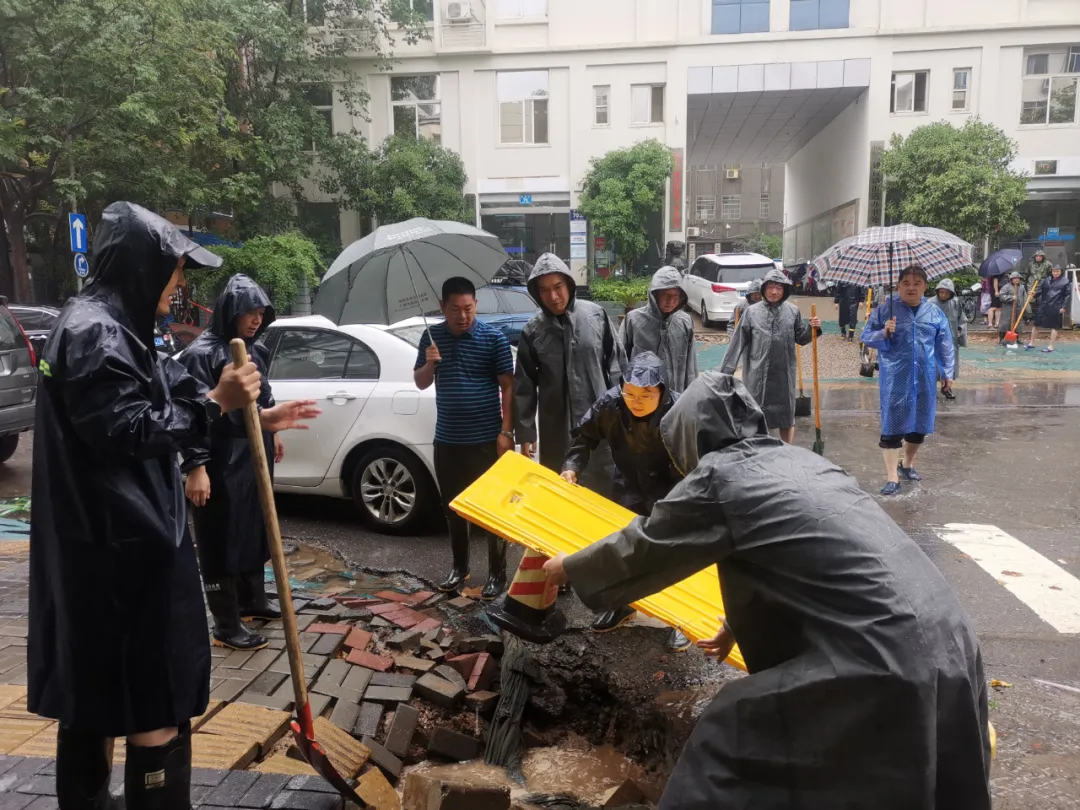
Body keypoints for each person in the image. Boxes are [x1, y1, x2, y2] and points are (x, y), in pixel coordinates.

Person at [542, 373, 991, 810]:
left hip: (879, 655)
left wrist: (569, 567)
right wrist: (737, 624)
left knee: (732, 735)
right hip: (949, 641)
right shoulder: (803, 462)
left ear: (685, 438)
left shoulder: (719, 478)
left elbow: (646, 547)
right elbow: (803, 558)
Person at [28, 202, 313, 810]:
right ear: (141, 267)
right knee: (150, 696)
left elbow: (168, 390)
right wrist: (216, 403)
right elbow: (132, 428)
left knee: (95, 694)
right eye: (175, 272)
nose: (180, 286)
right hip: (121, 549)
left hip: (108, 545)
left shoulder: (113, 327)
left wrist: (250, 415)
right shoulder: (95, 333)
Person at [180, 275, 318, 650]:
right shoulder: (201, 354)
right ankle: (226, 621)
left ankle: (253, 600)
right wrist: (196, 466)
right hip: (219, 457)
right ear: (231, 312)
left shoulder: (254, 350)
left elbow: (263, 398)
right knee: (219, 537)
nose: (256, 320)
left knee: (254, 527)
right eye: (249, 313)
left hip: (251, 455)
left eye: (261, 313)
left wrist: (274, 433)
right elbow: (191, 416)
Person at [560, 351, 688, 648]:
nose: (636, 401)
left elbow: (702, 454)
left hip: (671, 486)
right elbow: (583, 437)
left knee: (672, 554)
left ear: (662, 390)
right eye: (630, 393)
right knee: (624, 547)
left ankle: (679, 618)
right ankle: (622, 603)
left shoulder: (681, 410)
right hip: (628, 483)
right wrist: (571, 467)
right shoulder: (610, 404)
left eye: (646, 394)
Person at [415, 277, 515, 597]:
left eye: (468, 308)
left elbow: (508, 387)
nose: (462, 316)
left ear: (476, 305)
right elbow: (420, 382)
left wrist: (506, 432)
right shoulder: (431, 338)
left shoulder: (493, 338)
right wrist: (430, 363)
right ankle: (460, 568)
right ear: (443, 307)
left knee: (491, 509)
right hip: (447, 439)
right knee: (454, 507)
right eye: (455, 309)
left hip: (486, 439)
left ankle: (497, 573)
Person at [514, 253, 625, 485]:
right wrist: (526, 433)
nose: (553, 297)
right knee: (560, 493)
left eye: (558, 286)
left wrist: (623, 417)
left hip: (599, 422)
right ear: (536, 292)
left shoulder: (596, 316)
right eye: (544, 290)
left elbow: (617, 366)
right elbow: (524, 385)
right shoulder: (533, 331)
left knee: (604, 490)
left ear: (569, 283)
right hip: (556, 427)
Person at [862, 265, 954, 496]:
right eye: (906, 283)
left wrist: (947, 374)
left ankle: (907, 464)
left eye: (917, 283)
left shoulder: (934, 313)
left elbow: (945, 345)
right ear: (898, 285)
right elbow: (866, 337)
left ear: (925, 286)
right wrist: (883, 332)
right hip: (895, 378)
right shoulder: (886, 310)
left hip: (924, 377)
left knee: (918, 428)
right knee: (892, 428)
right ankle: (892, 477)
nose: (911, 288)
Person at [720, 268, 820, 444]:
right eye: (770, 287)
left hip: (784, 373)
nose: (774, 292)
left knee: (786, 415)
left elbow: (802, 339)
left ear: (785, 290)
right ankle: (757, 448)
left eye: (779, 288)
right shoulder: (751, 313)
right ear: (764, 289)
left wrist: (813, 329)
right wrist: (724, 374)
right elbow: (737, 343)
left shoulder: (792, 311)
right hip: (757, 373)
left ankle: (786, 449)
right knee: (755, 413)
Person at [618, 267, 697, 394]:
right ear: (654, 294)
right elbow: (620, 360)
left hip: (675, 397)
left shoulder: (685, 322)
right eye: (665, 294)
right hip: (642, 397)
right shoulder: (634, 320)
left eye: (676, 295)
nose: (671, 300)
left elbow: (691, 366)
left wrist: (691, 397)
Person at [931, 278, 966, 401]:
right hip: (935, 339)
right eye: (941, 292)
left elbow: (962, 319)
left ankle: (947, 387)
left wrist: (961, 333)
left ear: (951, 293)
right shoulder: (930, 303)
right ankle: (930, 387)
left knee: (949, 364)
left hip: (951, 338)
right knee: (933, 363)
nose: (943, 295)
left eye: (946, 292)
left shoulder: (955, 303)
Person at [1027, 265, 1071, 353]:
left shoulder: (1065, 281)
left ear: (1060, 271)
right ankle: (1031, 343)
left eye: (1057, 271)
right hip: (1043, 304)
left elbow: (1068, 295)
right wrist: (1034, 293)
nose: (1055, 273)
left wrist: (1063, 306)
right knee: (1036, 324)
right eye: (1054, 271)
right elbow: (1042, 290)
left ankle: (1051, 346)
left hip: (1056, 305)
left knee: (1054, 326)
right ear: (1051, 271)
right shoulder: (1046, 280)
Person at [998, 271, 1028, 346]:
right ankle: (1002, 340)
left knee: (1017, 323)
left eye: (1018, 278)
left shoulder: (1022, 287)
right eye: (1014, 278)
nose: (1016, 280)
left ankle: (1016, 338)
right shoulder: (1006, 287)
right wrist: (1011, 297)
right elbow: (1001, 296)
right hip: (1008, 308)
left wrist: (1027, 309)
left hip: (1018, 308)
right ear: (1011, 279)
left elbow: (1025, 298)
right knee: (1005, 324)